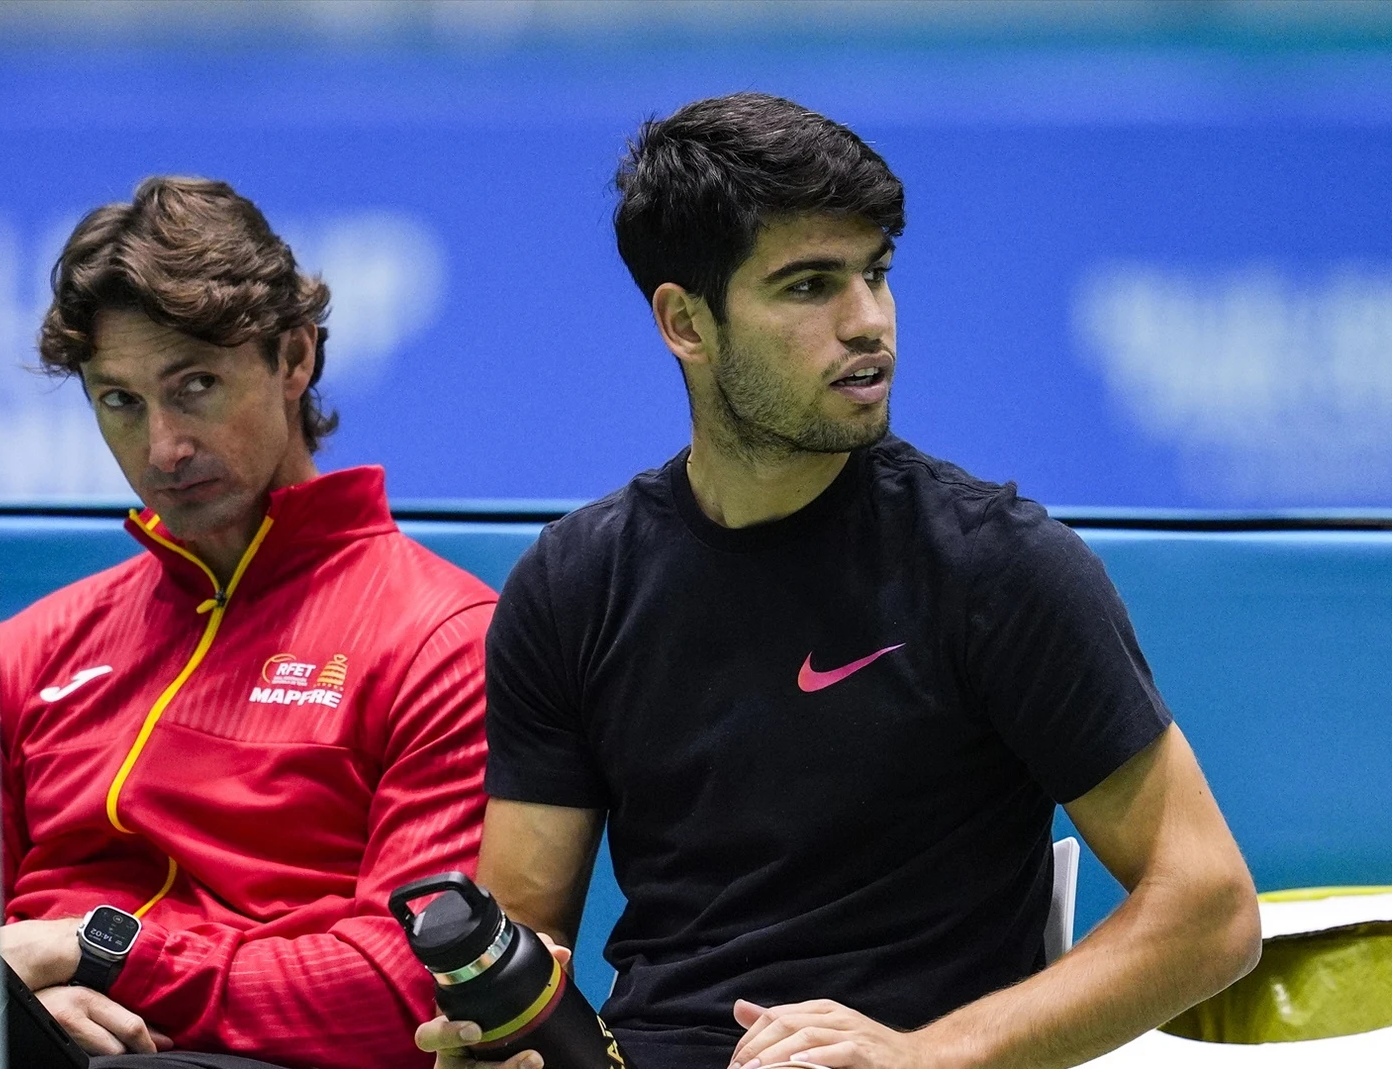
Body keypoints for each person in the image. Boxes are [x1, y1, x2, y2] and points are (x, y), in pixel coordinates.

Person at [418, 93, 1261, 1069]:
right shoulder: (572, 583)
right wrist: (498, 1039)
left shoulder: (997, 565)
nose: (867, 323)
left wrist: (921, 1056)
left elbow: (1210, 907)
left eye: (876, 273)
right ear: (685, 322)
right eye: (810, 285)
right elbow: (525, 949)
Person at [0, 176, 495, 1069]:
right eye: (120, 401)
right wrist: (27, 1011)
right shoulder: (30, 652)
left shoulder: (443, 637)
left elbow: (411, 992)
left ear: (295, 358)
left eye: (195, 386)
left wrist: (102, 950)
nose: (162, 449)